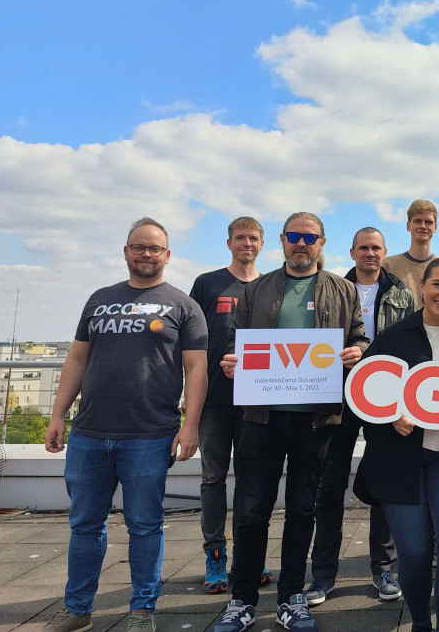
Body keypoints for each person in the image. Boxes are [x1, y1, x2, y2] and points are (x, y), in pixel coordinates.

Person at [43, 217, 208, 632]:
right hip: (89, 434)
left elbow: (197, 369)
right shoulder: (99, 300)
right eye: (139, 247)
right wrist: (58, 414)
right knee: (83, 524)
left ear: (167, 255)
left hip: (151, 435)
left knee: (145, 525)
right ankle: (77, 609)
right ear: (126, 251)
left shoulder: (184, 306)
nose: (147, 254)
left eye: (155, 248)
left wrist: (190, 427)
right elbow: (77, 358)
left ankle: (141, 611)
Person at [211, 212, 369, 632]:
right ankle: (242, 600)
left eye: (309, 237)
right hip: (260, 418)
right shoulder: (258, 288)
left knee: (302, 509)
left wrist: (357, 352)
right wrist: (232, 363)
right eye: (294, 236)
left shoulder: (343, 289)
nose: (302, 243)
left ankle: (291, 598)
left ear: (321, 242)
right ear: (282, 240)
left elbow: (359, 336)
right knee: (250, 510)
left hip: (317, 420)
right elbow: (235, 341)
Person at [354, 258, 439, 632]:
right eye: (437, 285)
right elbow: (362, 395)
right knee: (413, 553)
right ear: (423, 288)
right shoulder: (394, 337)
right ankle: (419, 623)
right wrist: (390, 415)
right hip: (401, 460)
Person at [305, 227, 414, 605]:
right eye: (363, 248)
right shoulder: (329, 288)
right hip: (335, 394)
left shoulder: (403, 292)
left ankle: (383, 568)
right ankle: (322, 574)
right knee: (330, 482)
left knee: (383, 481)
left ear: (385, 253)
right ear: (351, 252)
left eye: (376, 248)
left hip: (383, 395)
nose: (370, 253)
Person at [189, 216, 272, 594]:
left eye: (253, 238)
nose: (247, 243)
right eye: (240, 238)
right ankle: (215, 555)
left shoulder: (273, 285)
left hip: (256, 402)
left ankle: (246, 557)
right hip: (214, 402)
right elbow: (189, 344)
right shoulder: (207, 283)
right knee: (213, 479)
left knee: (251, 482)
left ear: (262, 243)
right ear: (229, 243)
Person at [383, 199, 438, 308]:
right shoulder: (387, 266)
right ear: (408, 226)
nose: (423, 226)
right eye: (417, 221)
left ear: (435, 227)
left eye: (428, 222)